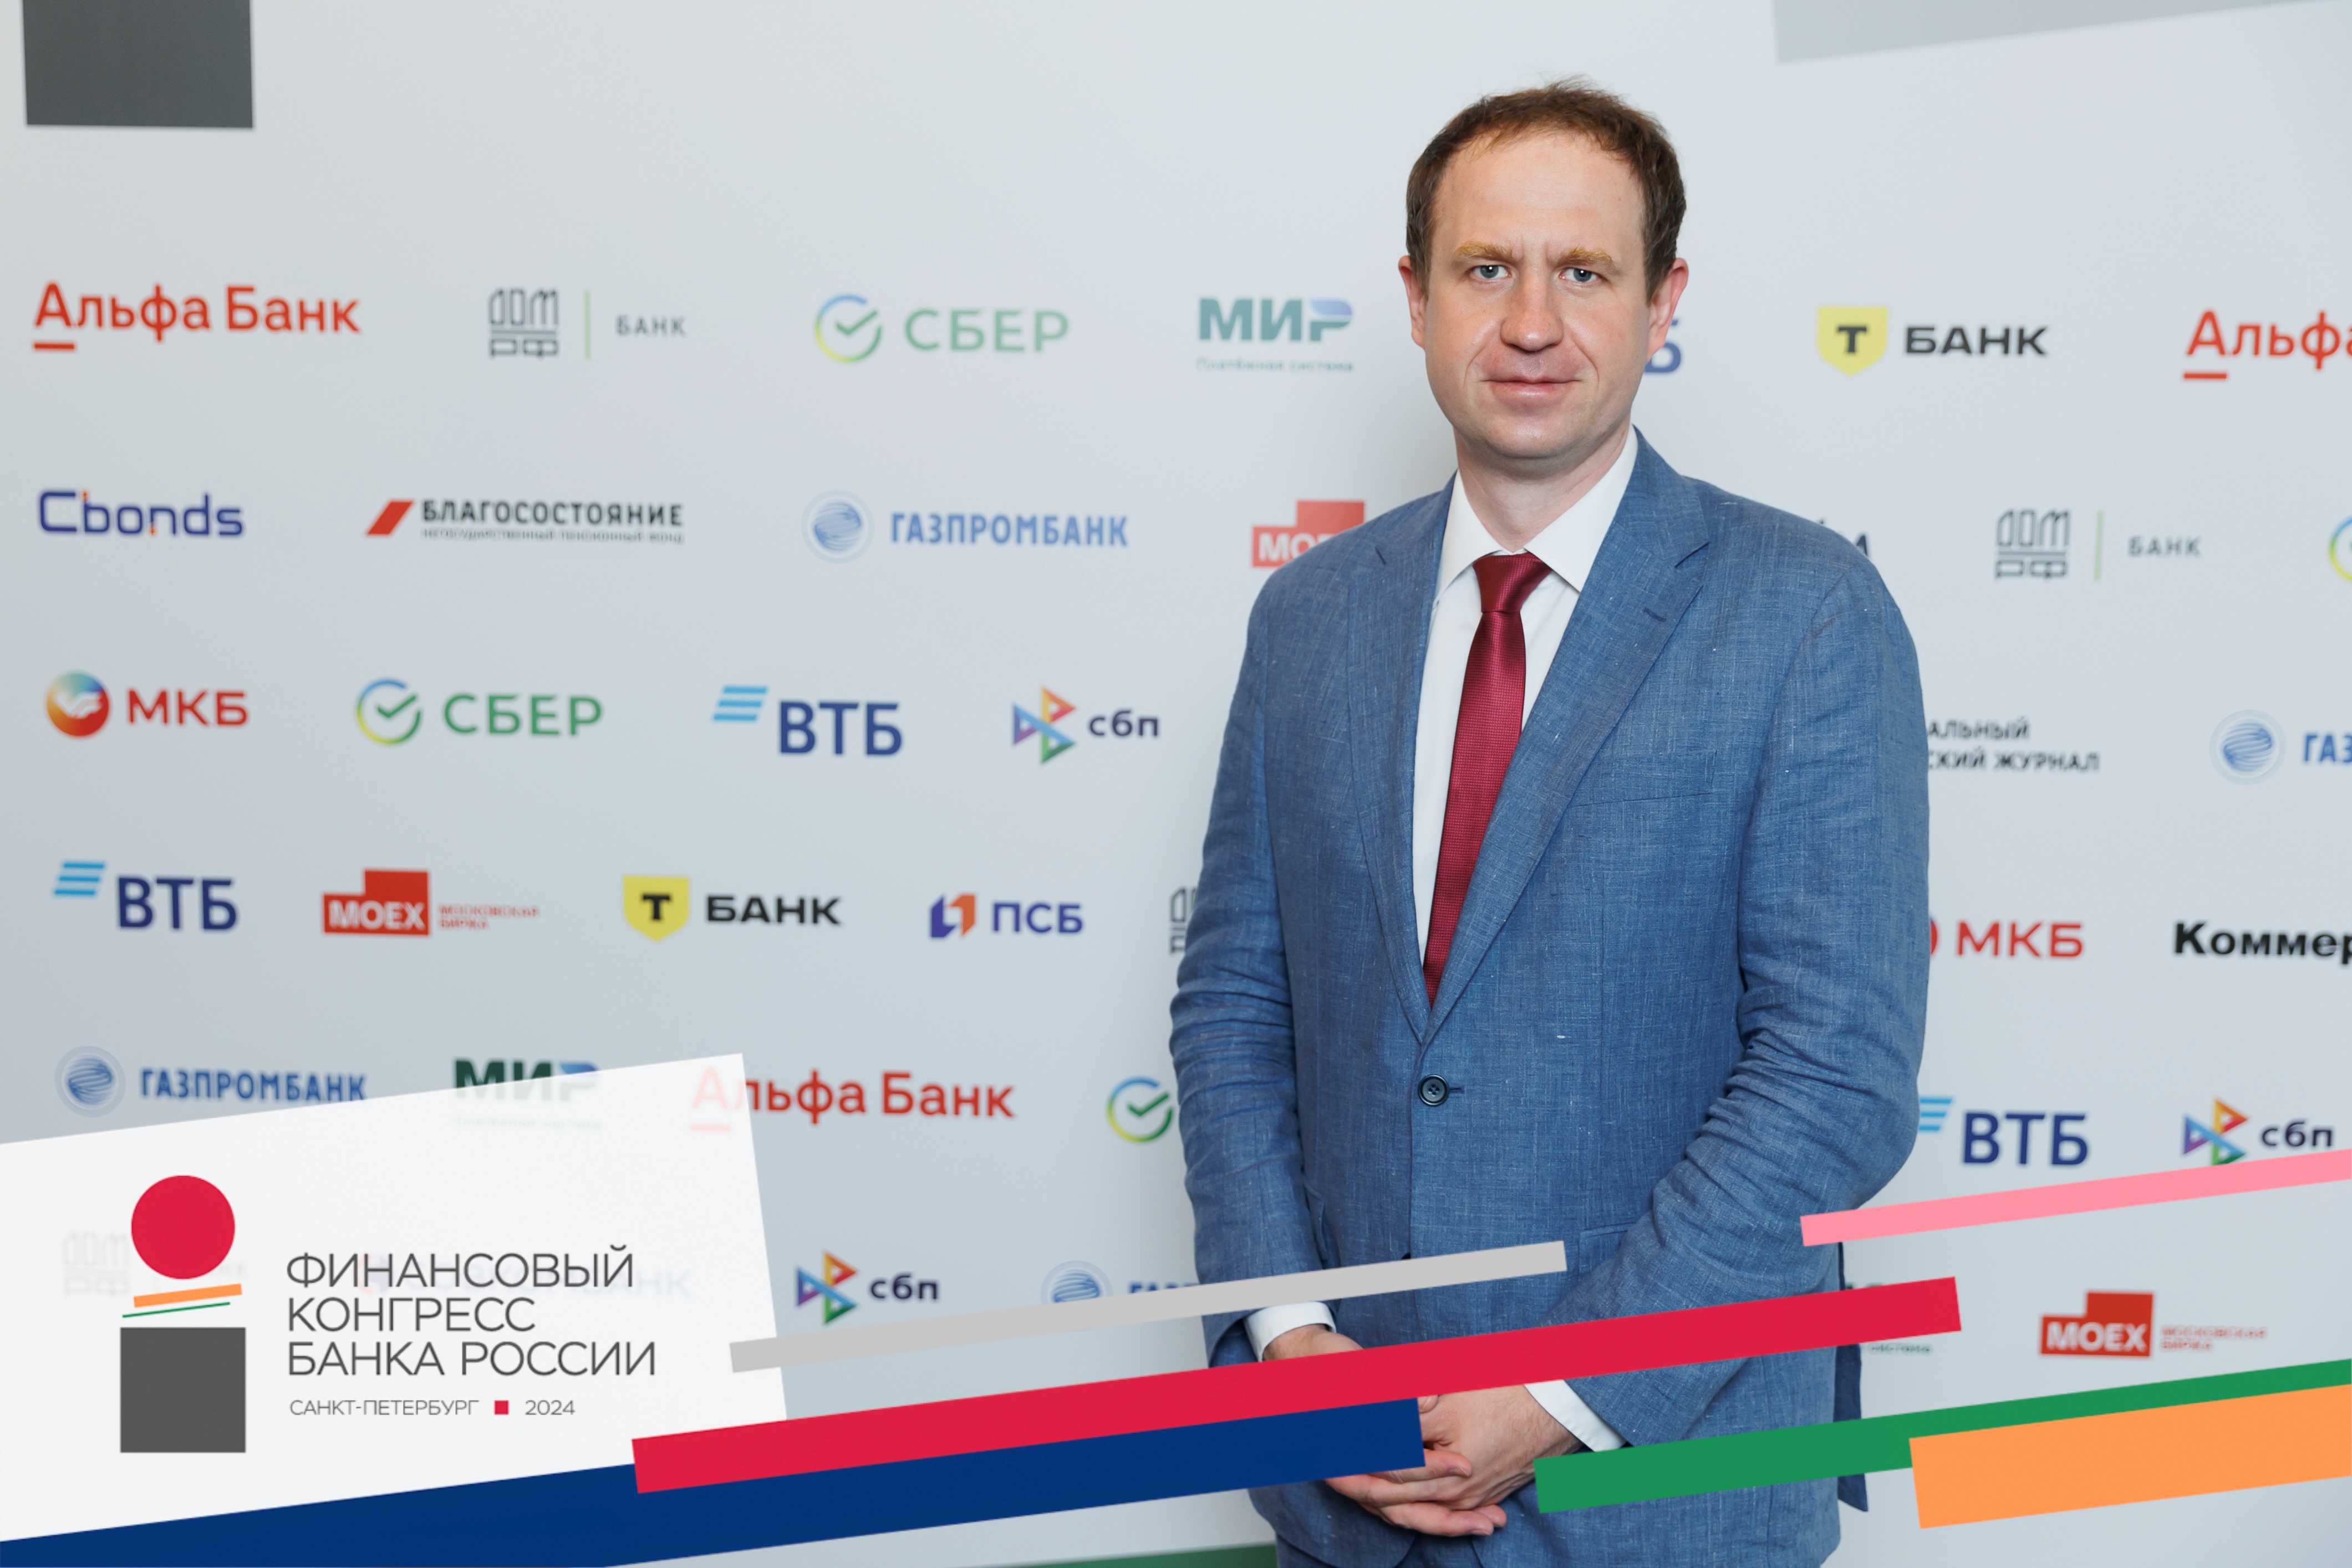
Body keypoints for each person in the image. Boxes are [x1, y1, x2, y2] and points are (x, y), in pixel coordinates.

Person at [1169, 80, 1927, 1567]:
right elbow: (1236, 1007)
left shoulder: (1807, 615)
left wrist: (1562, 1390)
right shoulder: (1308, 617)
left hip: (1670, 1494)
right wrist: (1291, 1337)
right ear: (1415, 298)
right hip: (1351, 1490)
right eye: (1485, 268)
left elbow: (1834, 1074)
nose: (1531, 323)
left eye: (1583, 271)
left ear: (1662, 303)